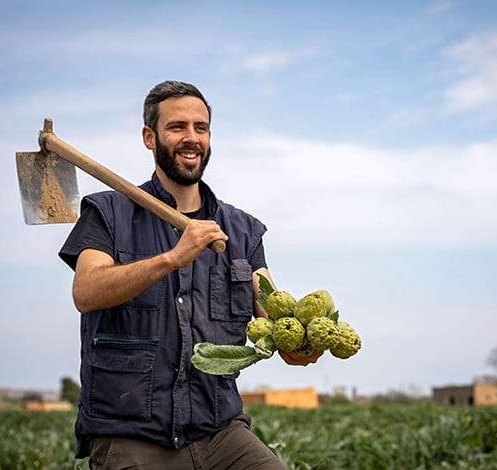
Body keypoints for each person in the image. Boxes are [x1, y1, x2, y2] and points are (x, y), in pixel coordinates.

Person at [59, 80, 321, 469]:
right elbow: (86, 291)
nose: (191, 138)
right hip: (134, 436)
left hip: (220, 434)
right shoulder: (108, 214)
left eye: (201, 128)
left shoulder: (242, 231)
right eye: (177, 127)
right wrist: (171, 258)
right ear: (150, 137)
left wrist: (298, 345)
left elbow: (271, 310)